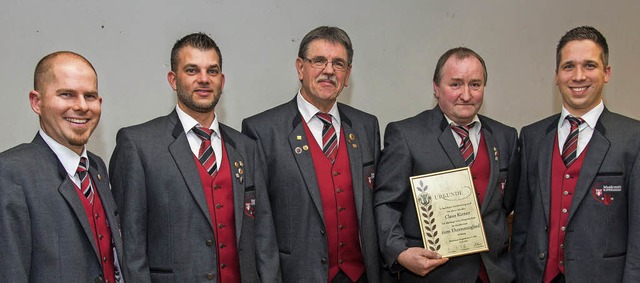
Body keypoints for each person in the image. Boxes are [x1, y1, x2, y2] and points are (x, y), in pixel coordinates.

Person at [109, 32, 280, 282]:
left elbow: (264, 236)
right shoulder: (138, 145)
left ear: (222, 80)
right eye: (192, 70)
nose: (203, 79)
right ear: (173, 79)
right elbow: (131, 246)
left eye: (212, 71)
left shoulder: (246, 147)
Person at [242, 26, 385, 282]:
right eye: (319, 61)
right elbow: (259, 225)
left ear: (348, 73)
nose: (329, 70)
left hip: (360, 274)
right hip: (297, 275)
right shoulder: (261, 131)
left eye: (338, 63)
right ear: (300, 67)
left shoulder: (366, 127)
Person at [373, 47, 519, 282]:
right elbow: (386, 203)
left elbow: (506, 204)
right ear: (436, 88)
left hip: (494, 273)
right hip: (434, 274)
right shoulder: (406, 135)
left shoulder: (505, 136)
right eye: (455, 84)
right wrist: (399, 252)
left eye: (475, 84)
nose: (466, 94)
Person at [511, 26, 640, 282]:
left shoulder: (633, 138)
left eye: (590, 66)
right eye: (568, 66)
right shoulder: (532, 137)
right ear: (556, 75)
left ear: (607, 73)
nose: (578, 76)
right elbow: (523, 224)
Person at [0, 51, 124, 282]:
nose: (81, 106)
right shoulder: (10, 173)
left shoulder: (97, 168)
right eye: (66, 95)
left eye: (89, 96)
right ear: (37, 102)